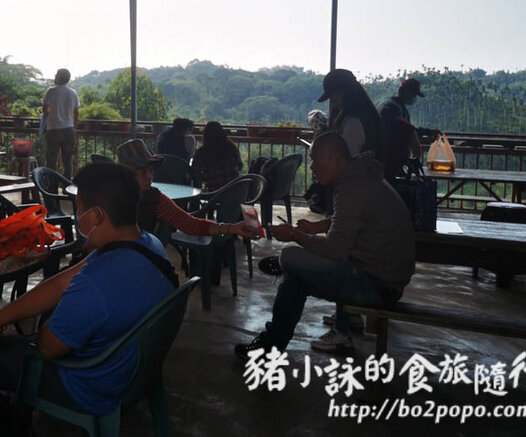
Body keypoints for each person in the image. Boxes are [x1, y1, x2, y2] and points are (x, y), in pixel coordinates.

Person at [0, 162, 176, 416]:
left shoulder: (95, 284)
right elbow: (60, 283)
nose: (78, 217)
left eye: (79, 209)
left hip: (91, 386)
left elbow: (48, 347)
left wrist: (44, 322)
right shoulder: (147, 244)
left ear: (96, 216)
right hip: (134, 368)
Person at [235, 132, 414, 357]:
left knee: (289, 257)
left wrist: (294, 234)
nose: (312, 167)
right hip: (381, 276)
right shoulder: (362, 177)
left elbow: (335, 249)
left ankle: (271, 343)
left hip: (376, 285)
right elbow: (353, 220)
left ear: (335, 159)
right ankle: (271, 345)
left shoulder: (352, 188)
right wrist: (317, 227)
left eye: (315, 159)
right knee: (295, 278)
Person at [116, 138, 257, 239]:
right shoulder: (109, 197)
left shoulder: (156, 199)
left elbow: (190, 224)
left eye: (150, 170)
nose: (149, 177)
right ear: (124, 174)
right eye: (141, 171)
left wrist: (231, 228)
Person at [317, 69, 382, 158]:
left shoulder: (353, 123)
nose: (333, 101)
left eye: (333, 96)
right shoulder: (367, 115)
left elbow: (346, 159)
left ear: (344, 92)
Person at [42, 68, 80, 178]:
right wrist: (73, 126)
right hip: (68, 129)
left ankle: (51, 184)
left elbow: (45, 109)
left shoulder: (51, 91)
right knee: (67, 160)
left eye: (56, 75)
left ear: (58, 77)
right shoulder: (73, 93)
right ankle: (66, 184)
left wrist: (53, 112)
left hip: (53, 129)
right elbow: (76, 113)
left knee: (51, 160)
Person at [190, 121, 243, 192]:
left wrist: (208, 176)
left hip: (215, 193)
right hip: (236, 191)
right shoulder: (232, 147)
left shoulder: (202, 152)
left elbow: (195, 174)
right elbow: (240, 166)